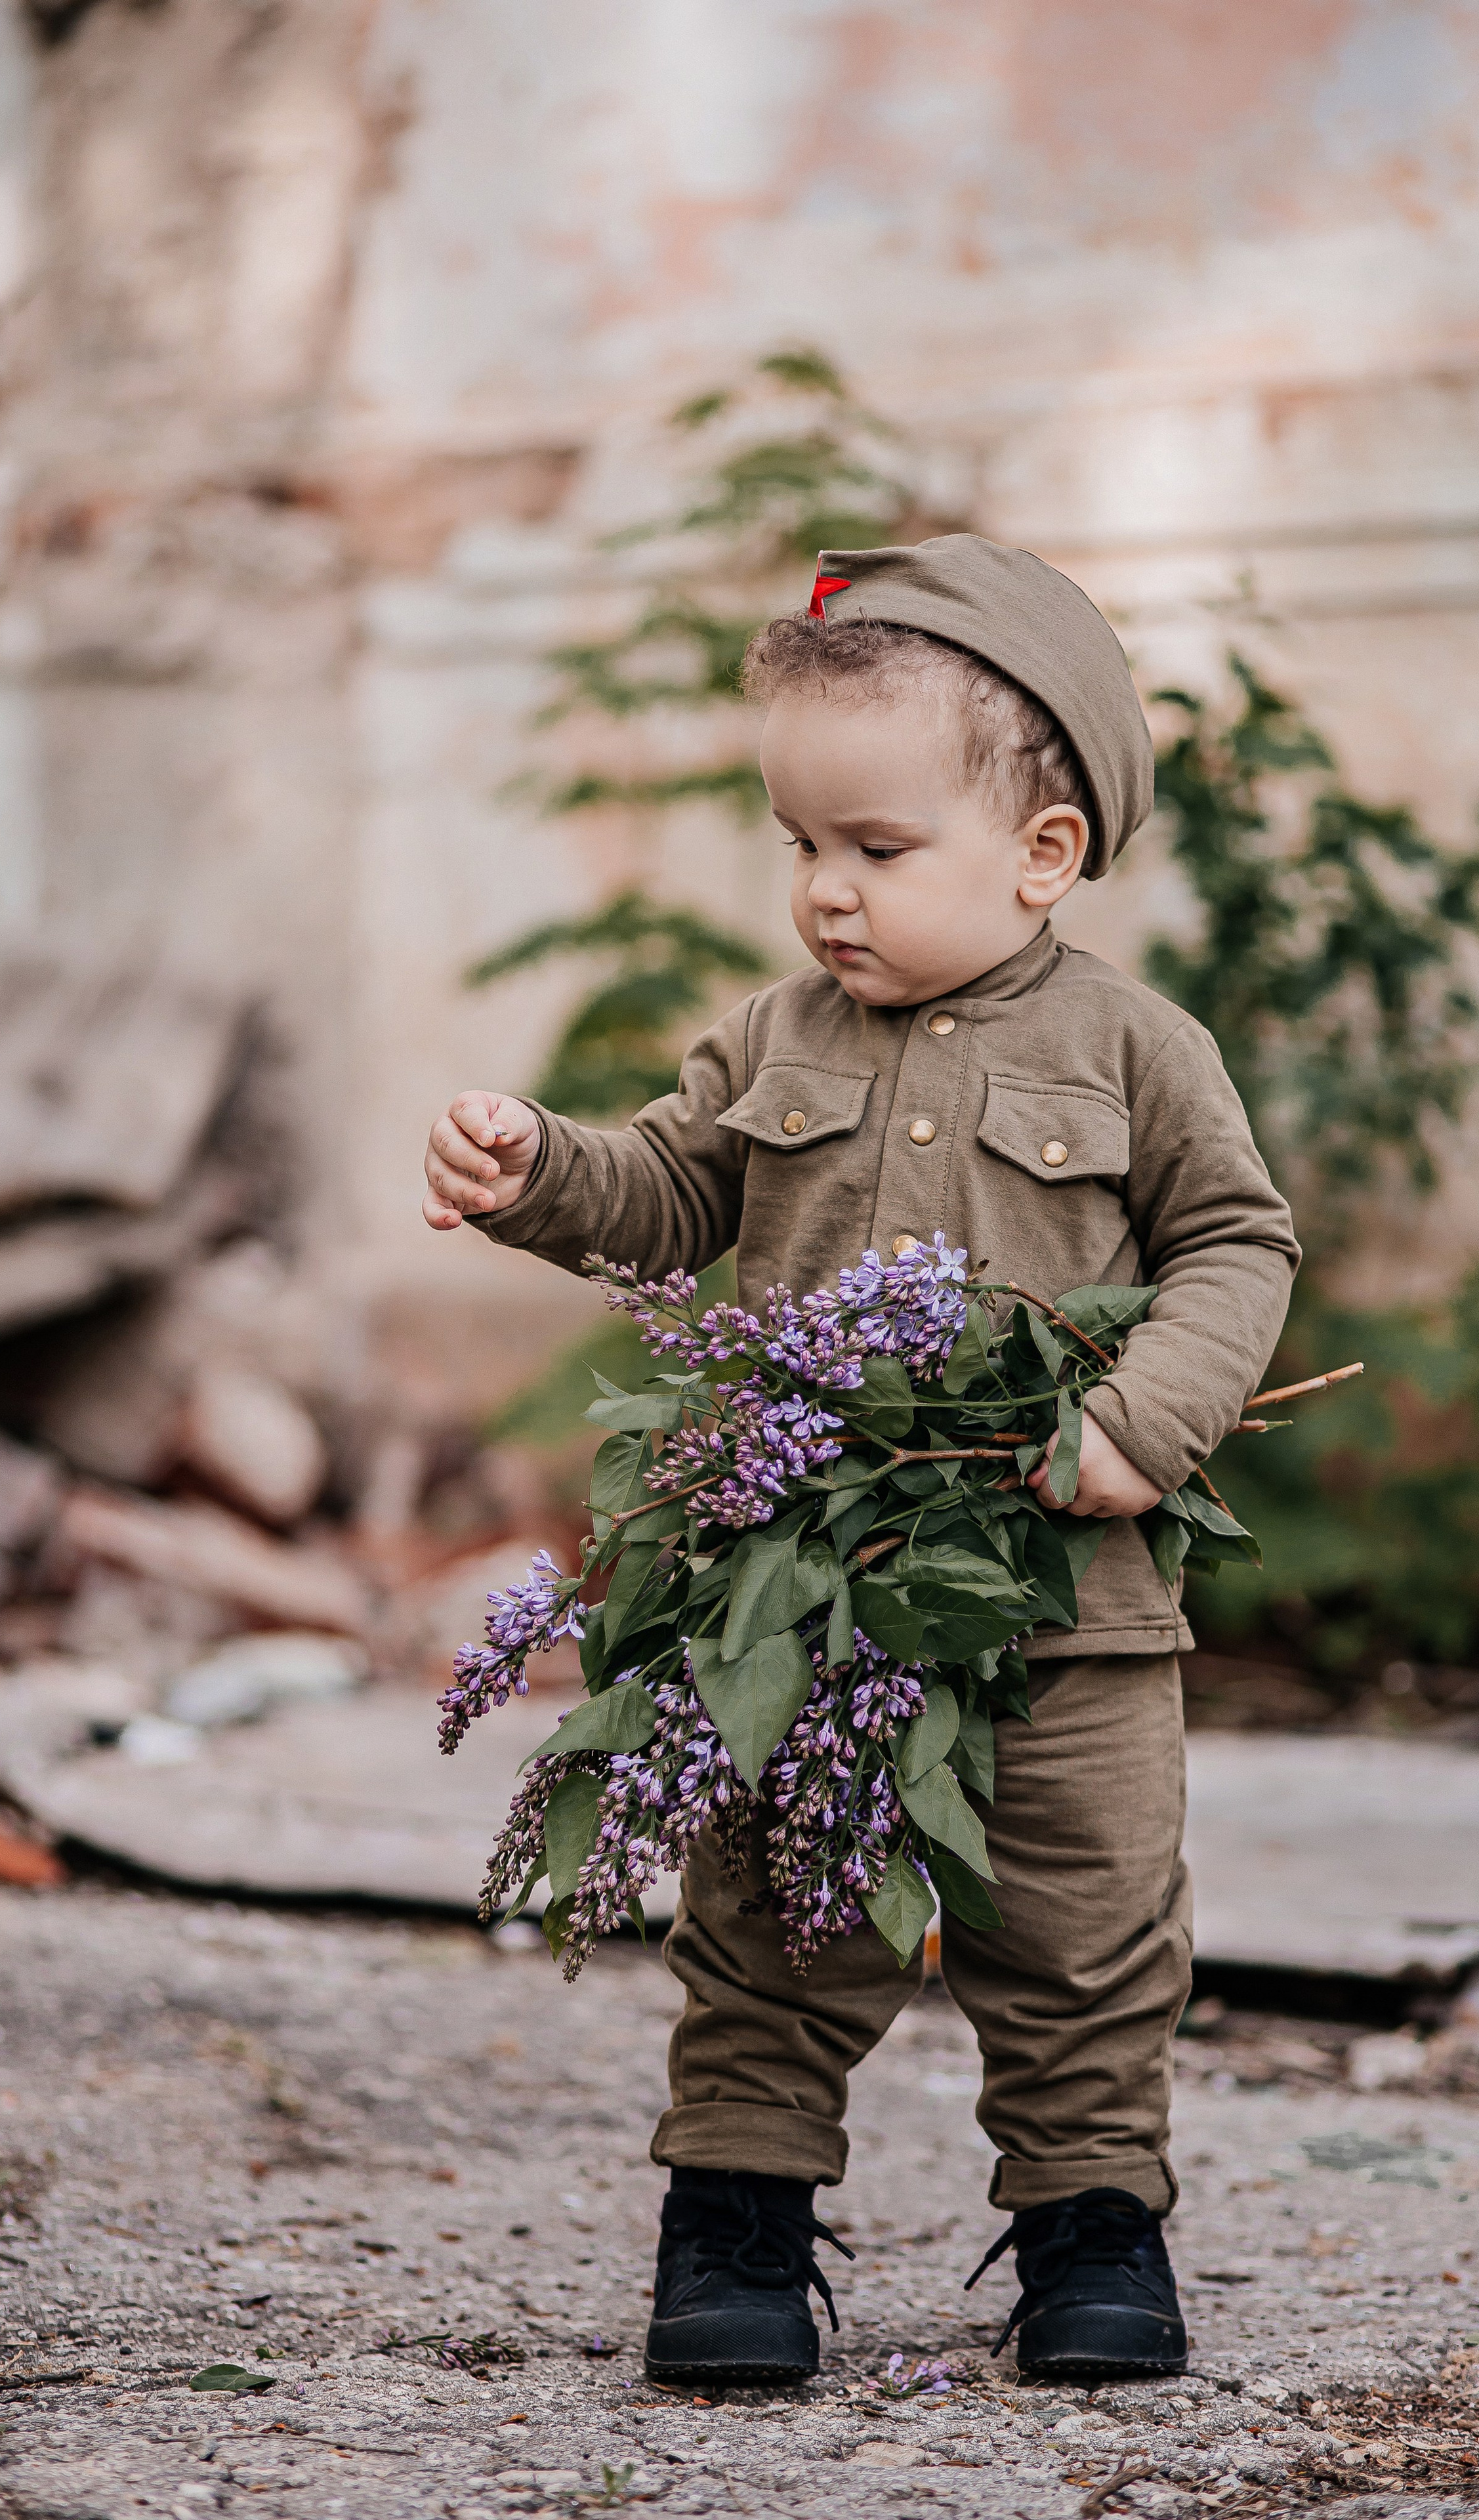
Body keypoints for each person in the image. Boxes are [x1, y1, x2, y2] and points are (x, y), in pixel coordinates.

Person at [423, 535, 1299, 2387]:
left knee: (1085, 1927)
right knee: (768, 1918)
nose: (827, 889)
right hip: (808, 1601)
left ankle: (1091, 2230)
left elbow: (1237, 1243)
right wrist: (538, 1171)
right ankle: (735, 2227)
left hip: (1067, 1595)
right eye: (802, 843)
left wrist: (1144, 1420)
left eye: (877, 849)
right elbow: (666, 1197)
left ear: (1042, 853)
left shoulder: (1137, 1051)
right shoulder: (772, 1039)